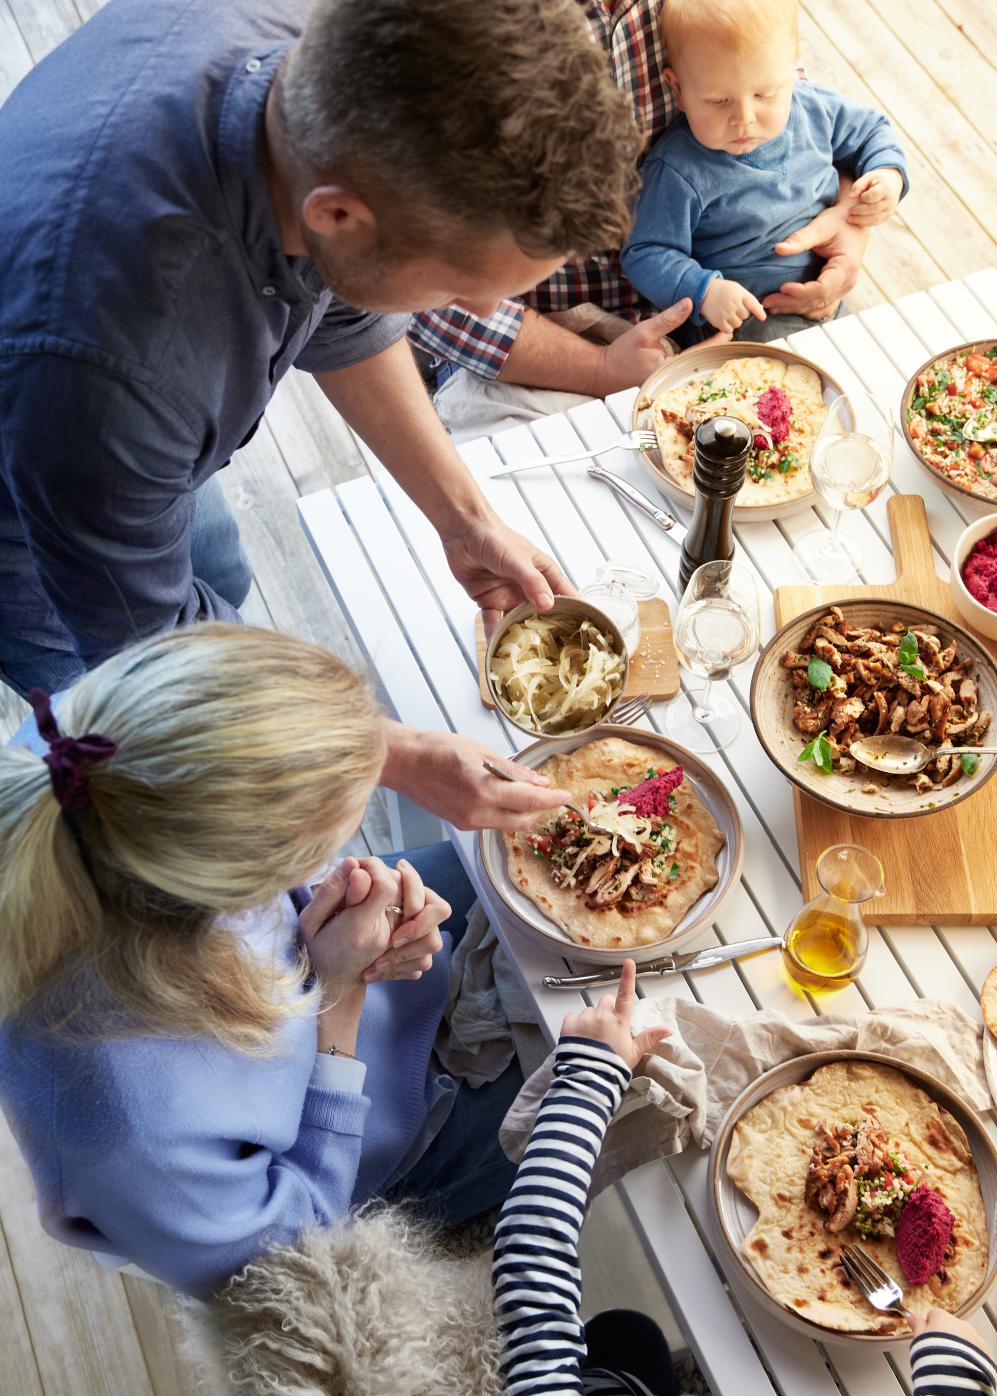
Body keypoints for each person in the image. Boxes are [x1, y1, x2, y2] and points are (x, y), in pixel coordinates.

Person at [0, 0, 634, 831]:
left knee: (215, 570)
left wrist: (465, 519)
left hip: (118, 439)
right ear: (337, 212)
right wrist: (392, 755)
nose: (483, 311)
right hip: (26, 517)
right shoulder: (115, 376)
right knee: (123, 762)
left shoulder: (330, 88)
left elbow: (345, 301)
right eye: (459, 285)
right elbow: (158, 663)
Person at [0, 624, 531, 1298]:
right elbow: (298, 1251)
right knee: (604, 1073)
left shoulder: (81, 753)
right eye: (328, 840)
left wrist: (337, 906)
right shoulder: (131, 1136)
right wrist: (339, 995)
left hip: (336, 989)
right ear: (244, 882)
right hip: (364, 1151)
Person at [492, 962, 997, 1396]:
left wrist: (589, 1076)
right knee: (635, 1342)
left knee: (629, 1336)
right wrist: (962, 1391)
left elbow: (532, 1248)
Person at [409, 0, 874, 404]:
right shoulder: (452, 26)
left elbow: (783, 90)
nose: (744, 116)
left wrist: (850, 222)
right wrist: (599, 368)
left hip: (731, 311)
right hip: (539, 353)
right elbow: (419, 292)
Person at [620, 0, 908, 343]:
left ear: (792, 66)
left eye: (764, 93)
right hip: (741, 323)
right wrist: (705, 291)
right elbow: (645, 252)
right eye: (719, 100)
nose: (744, 118)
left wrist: (887, 173)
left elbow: (872, 131)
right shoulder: (676, 169)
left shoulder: (814, 108)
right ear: (679, 89)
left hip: (827, 298)